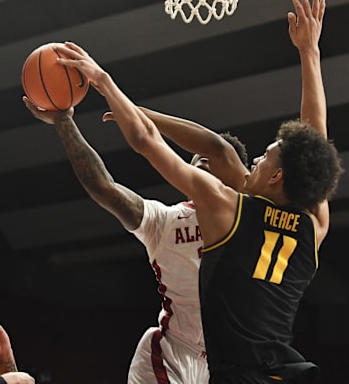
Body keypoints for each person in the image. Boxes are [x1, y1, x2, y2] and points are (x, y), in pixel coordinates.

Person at [49, 0, 343, 384]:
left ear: (276, 176)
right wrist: (310, 53)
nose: (254, 161)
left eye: (263, 158)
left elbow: (146, 142)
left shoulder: (228, 209)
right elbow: (314, 138)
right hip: (283, 373)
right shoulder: (313, 224)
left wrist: (103, 80)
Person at [22, 95, 247, 384]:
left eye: (209, 160)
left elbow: (220, 149)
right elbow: (104, 188)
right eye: (194, 160)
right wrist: (64, 122)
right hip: (171, 353)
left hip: (221, 362)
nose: (200, 162)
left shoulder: (251, 216)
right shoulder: (165, 220)